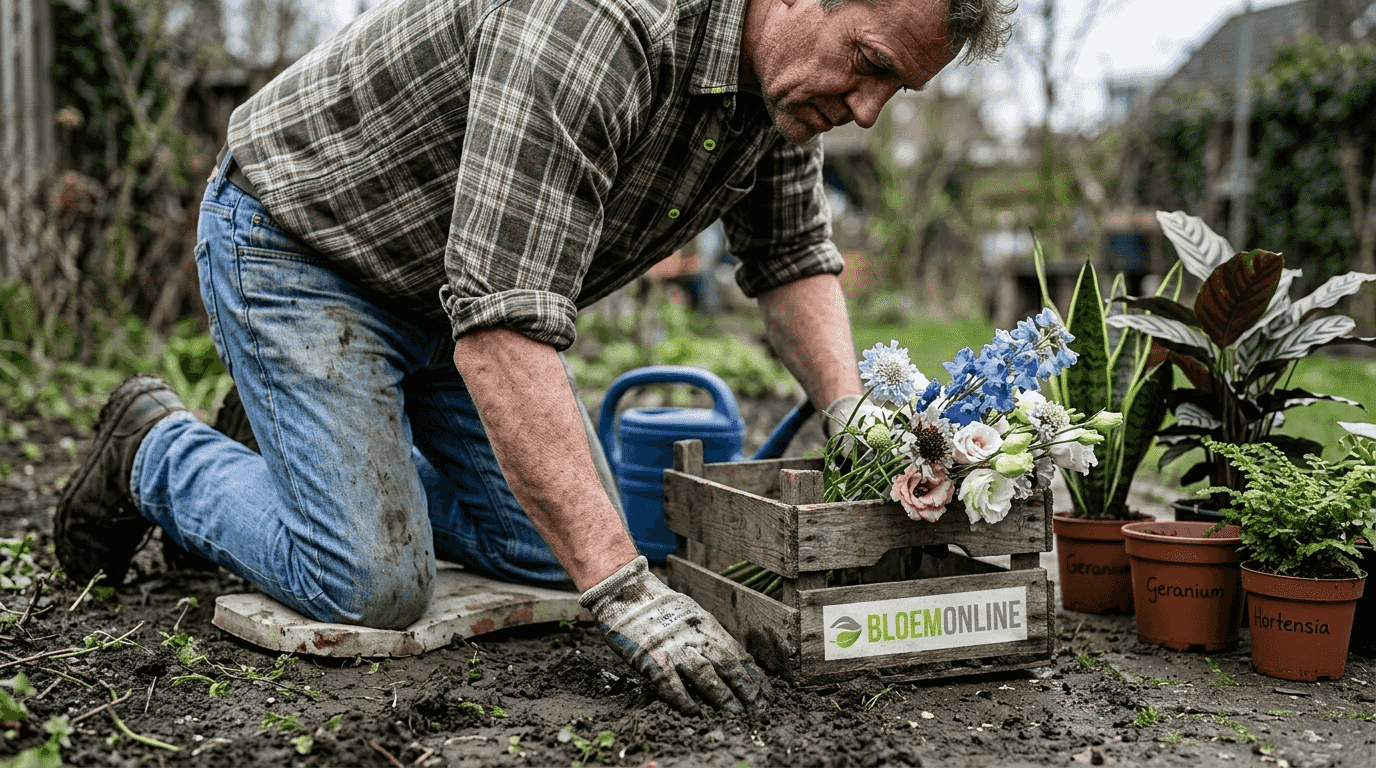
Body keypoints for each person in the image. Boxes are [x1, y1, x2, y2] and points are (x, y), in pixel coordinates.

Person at [55, 0, 1012, 715]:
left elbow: (792, 259)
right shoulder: (601, 24)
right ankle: (157, 451)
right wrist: (630, 597)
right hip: (303, 247)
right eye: (871, 64)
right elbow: (505, 332)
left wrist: (854, 415)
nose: (873, 110)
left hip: (443, 292)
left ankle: (303, 453)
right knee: (371, 583)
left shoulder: (778, 91)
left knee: (553, 560)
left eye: (899, 87)